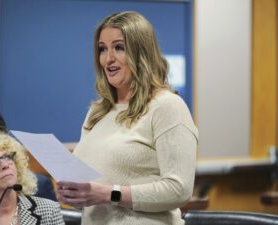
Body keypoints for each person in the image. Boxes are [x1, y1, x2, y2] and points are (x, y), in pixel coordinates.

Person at [56, 11, 198, 225]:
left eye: (119, 47)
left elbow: (179, 189)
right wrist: (78, 195)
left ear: (141, 53)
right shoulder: (97, 112)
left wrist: (109, 194)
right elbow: (96, 189)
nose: (108, 58)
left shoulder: (167, 106)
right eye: (102, 49)